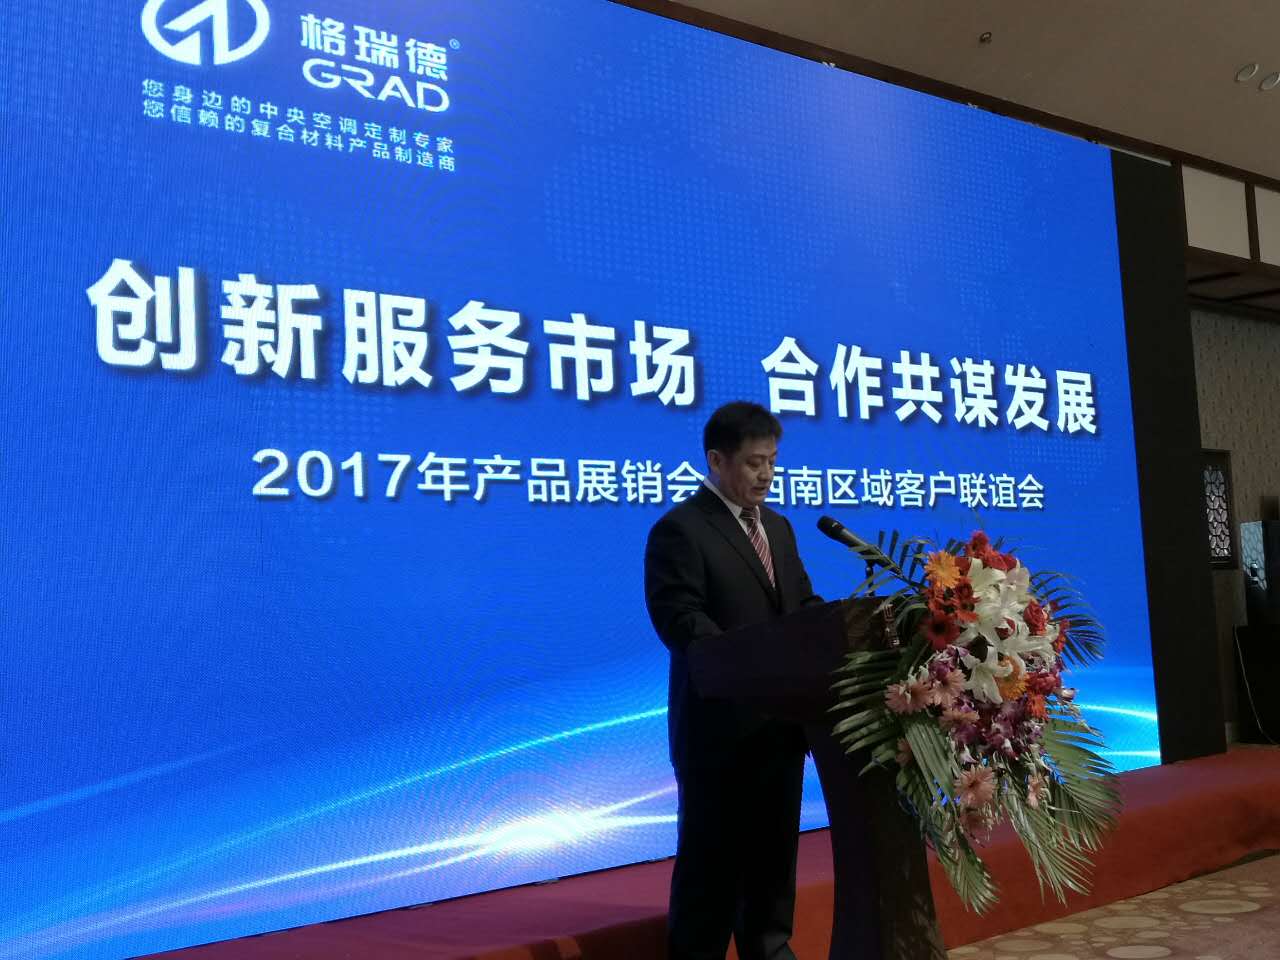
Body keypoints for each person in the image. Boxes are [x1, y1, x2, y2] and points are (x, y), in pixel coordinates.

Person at [644, 400, 822, 960]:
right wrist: (752, 662)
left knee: (773, 864)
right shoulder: (681, 529)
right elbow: (679, 618)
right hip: (718, 733)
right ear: (716, 460)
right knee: (711, 869)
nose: (765, 474)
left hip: (780, 727)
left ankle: (770, 950)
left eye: (772, 461)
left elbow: (800, 606)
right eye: (753, 462)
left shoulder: (779, 528)